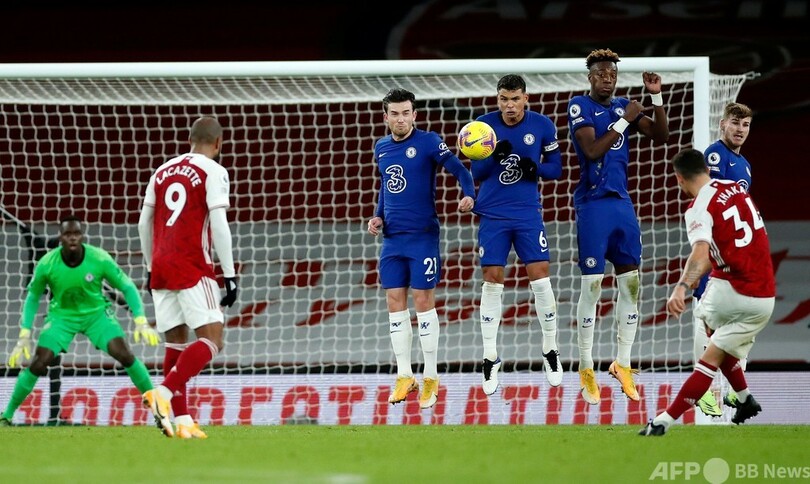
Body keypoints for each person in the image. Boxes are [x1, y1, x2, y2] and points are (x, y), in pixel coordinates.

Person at [639, 148, 774, 436]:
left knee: (708, 353)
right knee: (719, 343)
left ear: (679, 178)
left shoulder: (698, 207)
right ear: (706, 168)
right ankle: (745, 398)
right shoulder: (735, 188)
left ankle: (662, 421)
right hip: (765, 296)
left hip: (733, 290)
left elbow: (701, 254)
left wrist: (681, 287)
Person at [567, 48, 670, 405]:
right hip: (593, 204)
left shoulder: (624, 105)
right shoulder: (580, 105)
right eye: (600, 73)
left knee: (631, 283)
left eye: (612, 74)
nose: (607, 79)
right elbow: (592, 150)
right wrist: (625, 120)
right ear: (590, 77)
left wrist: (656, 98)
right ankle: (586, 366)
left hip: (622, 204)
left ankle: (622, 363)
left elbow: (661, 135)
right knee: (593, 285)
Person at [367, 88, 476, 410]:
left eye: (406, 113)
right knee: (393, 301)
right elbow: (386, 186)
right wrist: (378, 216)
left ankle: (430, 376)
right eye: (395, 114)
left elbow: (460, 169)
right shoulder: (382, 147)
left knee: (423, 301)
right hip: (392, 239)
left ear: (414, 115)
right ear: (386, 117)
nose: (401, 119)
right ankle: (405, 375)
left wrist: (469, 194)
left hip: (422, 237)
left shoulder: (428, 142)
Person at [0, 216, 160, 426]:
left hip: (96, 315)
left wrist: (140, 319)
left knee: (125, 354)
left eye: (76, 233)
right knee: (39, 362)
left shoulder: (99, 258)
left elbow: (128, 286)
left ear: (82, 236)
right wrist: (24, 334)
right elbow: (32, 297)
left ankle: (158, 409)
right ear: (61, 238)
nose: (73, 238)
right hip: (62, 317)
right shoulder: (47, 263)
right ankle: (7, 415)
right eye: (68, 234)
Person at [138, 116, 238, 438]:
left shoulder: (161, 170)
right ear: (218, 143)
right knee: (212, 340)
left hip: (161, 265)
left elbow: (143, 223)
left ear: (189, 140)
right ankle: (163, 393)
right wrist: (230, 274)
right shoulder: (213, 170)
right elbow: (219, 224)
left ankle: (182, 421)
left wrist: (150, 265)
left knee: (176, 343)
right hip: (193, 265)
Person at [470, 74, 564, 395]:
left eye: (514, 99)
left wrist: (533, 167)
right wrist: (493, 155)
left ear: (526, 98)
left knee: (540, 276)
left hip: (527, 213)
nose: (509, 106)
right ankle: (490, 356)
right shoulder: (483, 126)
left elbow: (556, 168)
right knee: (492, 279)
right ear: (497, 99)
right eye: (503, 99)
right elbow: (477, 173)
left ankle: (550, 349)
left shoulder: (542, 125)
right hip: (493, 214)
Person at [693, 102, 755, 417]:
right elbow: (709, 200)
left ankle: (733, 389)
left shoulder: (744, 165)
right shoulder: (715, 156)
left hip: (737, 253)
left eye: (745, 125)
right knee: (706, 316)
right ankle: (702, 389)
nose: (740, 129)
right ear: (722, 124)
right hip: (715, 250)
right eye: (735, 123)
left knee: (744, 316)